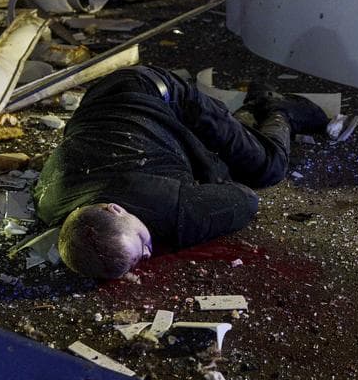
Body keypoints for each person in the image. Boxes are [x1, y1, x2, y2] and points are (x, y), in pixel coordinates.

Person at [35, 66, 328, 279]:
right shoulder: (50, 201)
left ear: (115, 209)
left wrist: (179, 231)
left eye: (143, 244)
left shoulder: (171, 209)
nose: (149, 253)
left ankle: (280, 110)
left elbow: (245, 200)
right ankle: (252, 108)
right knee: (217, 162)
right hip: (100, 98)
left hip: (162, 92)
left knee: (267, 168)